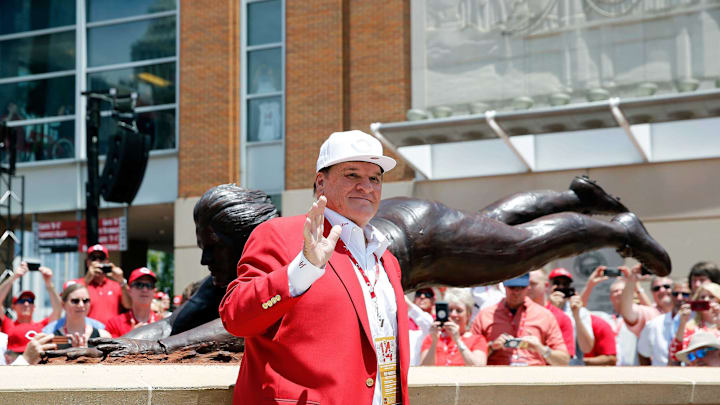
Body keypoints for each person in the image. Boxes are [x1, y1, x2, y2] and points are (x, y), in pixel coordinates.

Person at [220, 130, 410, 404]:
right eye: (352, 175)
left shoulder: (386, 260)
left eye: (375, 178)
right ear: (321, 182)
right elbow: (236, 318)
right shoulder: (279, 234)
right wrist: (303, 269)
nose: (366, 187)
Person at [472, 273, 569, 366]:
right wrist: (492, 347)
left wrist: (541, 349)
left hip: (534, 376)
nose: (516, 292)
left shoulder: (544, 315)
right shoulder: (486, 315)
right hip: (498, 376)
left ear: (528, 287)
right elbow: (468, 358)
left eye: (521, 288)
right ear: (504, 287)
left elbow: (564, 360)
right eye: (512, 287)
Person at [0, 261, 63, 347]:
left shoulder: (43, 326)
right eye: (21, 301)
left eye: (30, 301)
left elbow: (58, 309)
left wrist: (48, 283)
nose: (26, 304)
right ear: (13, 307)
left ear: (34, 307)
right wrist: (14, 277)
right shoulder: (8, 324)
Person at [420, 288, 487, 366]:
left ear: (468, 315)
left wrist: (458, 340)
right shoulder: (431, 338)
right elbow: (425, 368)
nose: (453, 314)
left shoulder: (478, 340)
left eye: (459, 311)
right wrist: (434, 342)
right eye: (450, 310)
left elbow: (479, 367)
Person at [70, 244, 131, 324]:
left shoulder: (116, 285)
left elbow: (128, 305)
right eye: (93, 258)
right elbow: (70, 303)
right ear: (88, 262)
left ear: (107, 262)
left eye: (101, 258)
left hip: (110, 334)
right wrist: (87, 279)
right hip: (88, 333)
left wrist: (122, 281)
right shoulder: (79, 284)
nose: (98, 261)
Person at [637, 281, 691, 366]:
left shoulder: (698, 323)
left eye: (685, 294)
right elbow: (643, 353)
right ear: (670, 295)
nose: (679, 298)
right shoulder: (654, 324)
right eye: (675, 294)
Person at [547, 268, 594, 365]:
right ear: (548, 286)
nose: (561, 287)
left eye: (565, 284)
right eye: (557, 283)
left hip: (574, 367)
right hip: (549, 365)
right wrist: (553, 309)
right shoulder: (542, 309)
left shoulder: (580, 311)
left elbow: (587, 348)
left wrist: (576, 315)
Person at [669, 282, 720, 364]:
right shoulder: (690, 327)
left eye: (711, 297)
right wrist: (683, 322)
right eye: (702, 297)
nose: (706, 300)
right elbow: (674, 355)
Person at [527, 269, 575, 357]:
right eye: (525, 284)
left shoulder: (562, 317)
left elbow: (565, 358)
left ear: (546, 286)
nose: (528, 287)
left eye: (533, 284)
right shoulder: (515, 312)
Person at [105, 268, 162, 338]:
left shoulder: (162, 323)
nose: (144, 289)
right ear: (129, 290)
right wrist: (130, 337)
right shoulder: (114, 324)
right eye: (139, 285)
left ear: (154, 291)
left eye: (149, 285)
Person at [619, 264, 673, 337]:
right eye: (656, 288)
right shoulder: (650, 312)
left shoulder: (686, 309)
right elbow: (628, 311)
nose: (662, 290)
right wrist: (631, 280)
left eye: (666, 286)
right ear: (652, 292)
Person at [51, 284, 111, 349]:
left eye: (85, 300)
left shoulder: (103, 337)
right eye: (75, 301)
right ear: (63, 305)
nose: (81, 305)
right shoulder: (55, 339)